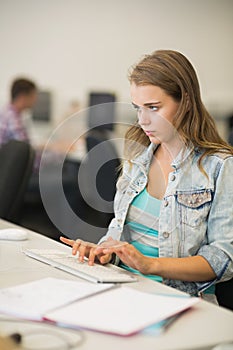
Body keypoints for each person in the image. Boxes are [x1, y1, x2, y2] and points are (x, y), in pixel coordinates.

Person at [60, 50, 233, 302]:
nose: (143, 120)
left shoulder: (219, 166)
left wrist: (150, 265)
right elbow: (119, 235)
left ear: (185, 101)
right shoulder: (136, 160)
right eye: (137, 109)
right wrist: (105, 251)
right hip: (121, 287)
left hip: (176, 299)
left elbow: (223, 259)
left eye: (153, 108)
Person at [0, 78, 37, 146]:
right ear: (22, 97)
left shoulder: (7, 111)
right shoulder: (12, 118)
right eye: (33, 96)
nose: (35, 100)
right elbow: (26, 148)